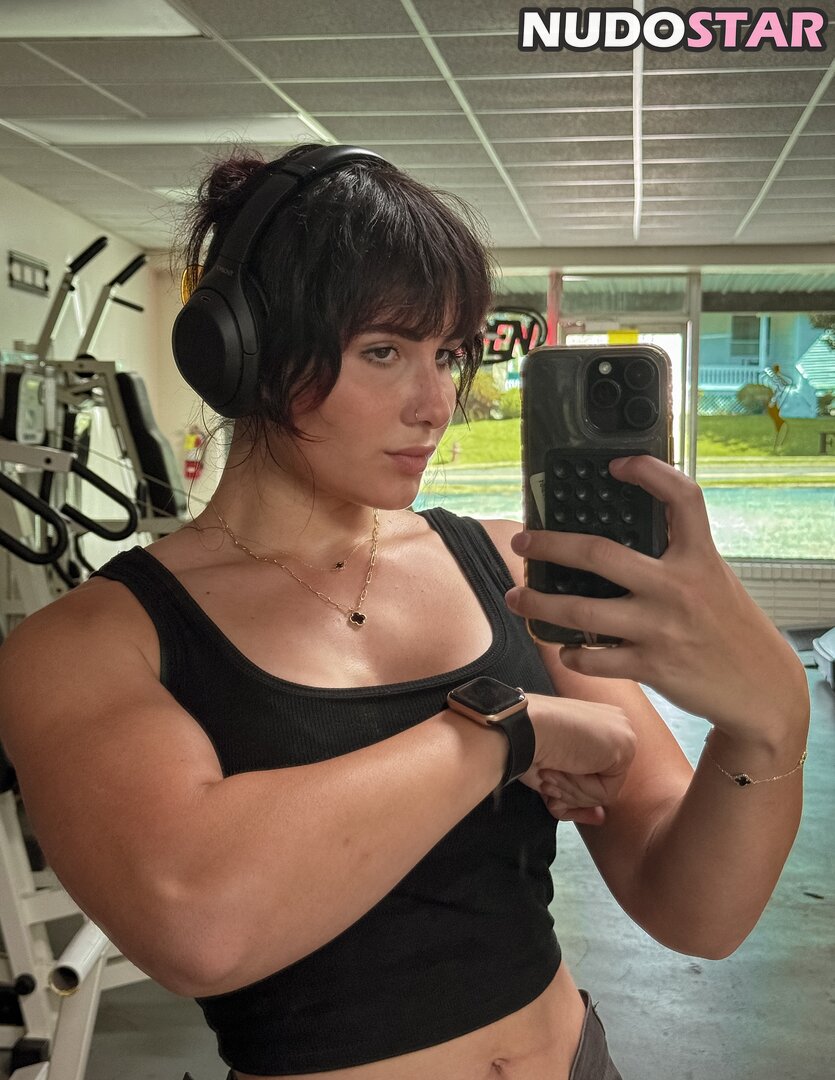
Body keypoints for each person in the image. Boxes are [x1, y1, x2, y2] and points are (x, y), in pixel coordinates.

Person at [0, 144, 809, 1080]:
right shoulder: (89, 643)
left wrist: (768, 716)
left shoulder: (515, 568)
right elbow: (199, 925)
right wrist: (508, 734)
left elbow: (696, 914)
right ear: (242, 352)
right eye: (383, 352)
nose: (435, 405)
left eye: (449, 355)